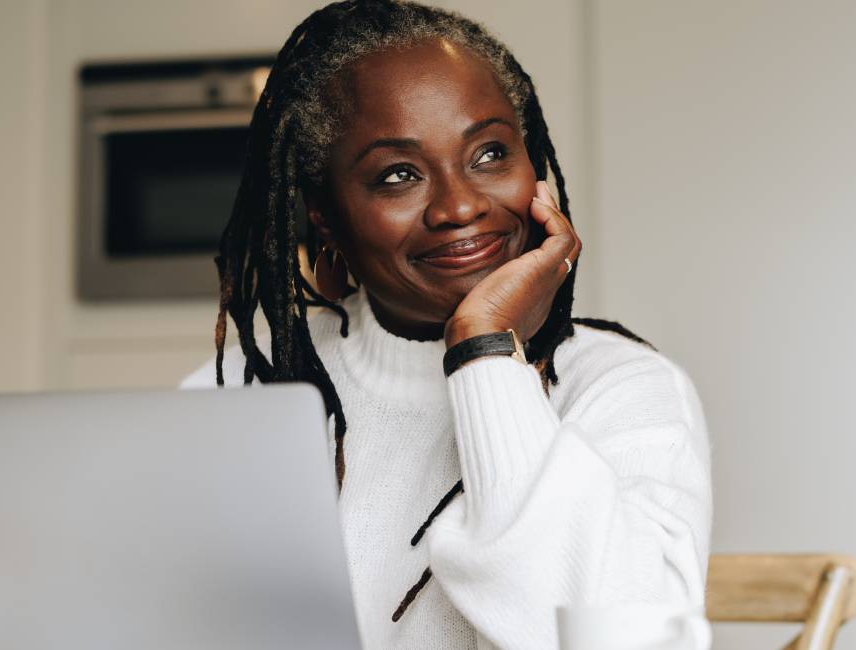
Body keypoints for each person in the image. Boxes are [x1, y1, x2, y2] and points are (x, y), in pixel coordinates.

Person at [179, 2, 712, 648]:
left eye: (490, 153)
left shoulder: (620, 389)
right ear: (324, 215)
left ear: (534, 164)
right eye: (398, 175)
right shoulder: (242, 389)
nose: (460, 206)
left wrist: (485, 351)